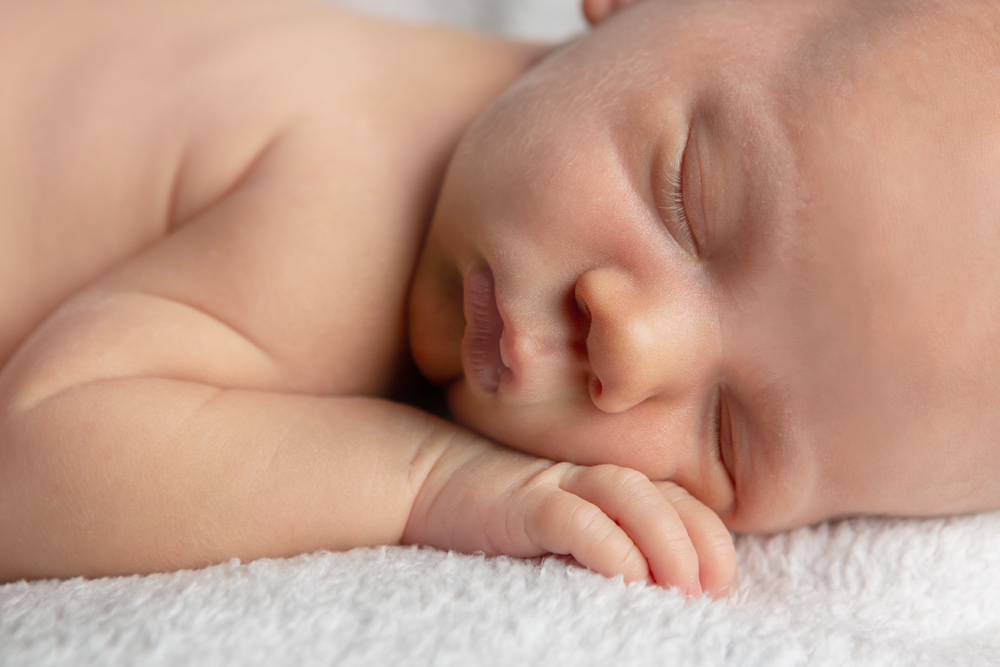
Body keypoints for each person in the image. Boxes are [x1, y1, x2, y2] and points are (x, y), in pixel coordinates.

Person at [1, 0, 997, 600]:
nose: (634, 350)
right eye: (686, 197)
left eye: (728, 436)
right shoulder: (346, 210)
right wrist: (430, 484)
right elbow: (34, 463)